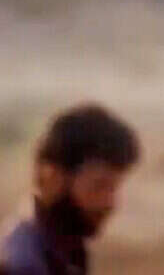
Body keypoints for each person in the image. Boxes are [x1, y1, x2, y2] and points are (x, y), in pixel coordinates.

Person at [0, 104, 140, 275]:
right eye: (99, 186)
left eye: (114, 188)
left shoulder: (61, 246)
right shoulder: (22, 263)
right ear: (52, 177)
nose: (110, 202)